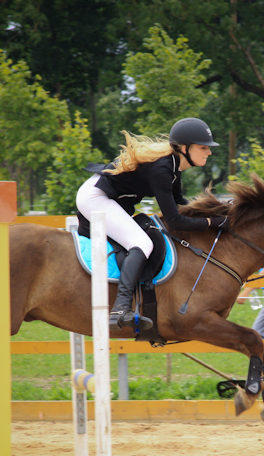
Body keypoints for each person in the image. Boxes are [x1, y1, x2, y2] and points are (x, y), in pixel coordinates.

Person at [76, 118, 228, 331]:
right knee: (142, 243)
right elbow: (175, 221)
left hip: (105, 195)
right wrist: (212, 222)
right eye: (203, 147)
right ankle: (120, 307)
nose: (209, 152)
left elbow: (180, 204)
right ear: (184, 148)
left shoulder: (174, 166)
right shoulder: (163, 169)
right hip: (95, 197)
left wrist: (217, 211)